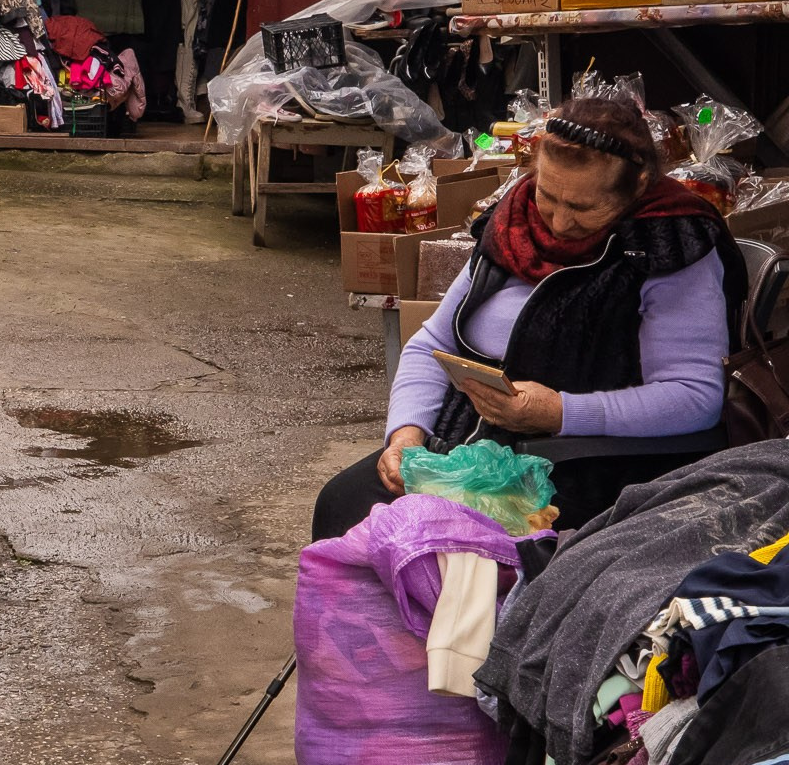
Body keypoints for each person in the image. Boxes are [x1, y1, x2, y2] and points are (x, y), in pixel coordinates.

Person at [312, 94, 743, 541]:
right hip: (466, 452)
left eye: (581, 208)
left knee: (438, 543)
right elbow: (431, 344)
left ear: (636, 189)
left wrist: (560, 412)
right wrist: (405, 434)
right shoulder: (512, 224)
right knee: (343, 504)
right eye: (548, 196)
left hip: (578, 466)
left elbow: (695, 396)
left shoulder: (669, 244)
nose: (558, 222)